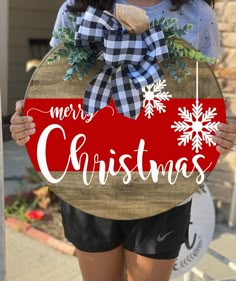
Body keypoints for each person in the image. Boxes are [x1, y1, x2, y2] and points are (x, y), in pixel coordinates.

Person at [10, 1, 236, 281]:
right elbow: (56, 87)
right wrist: (28, 122)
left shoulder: (198, 14)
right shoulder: (76, 8)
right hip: (90, 179)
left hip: (164, 184)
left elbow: (202, 95)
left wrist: (219, 135)